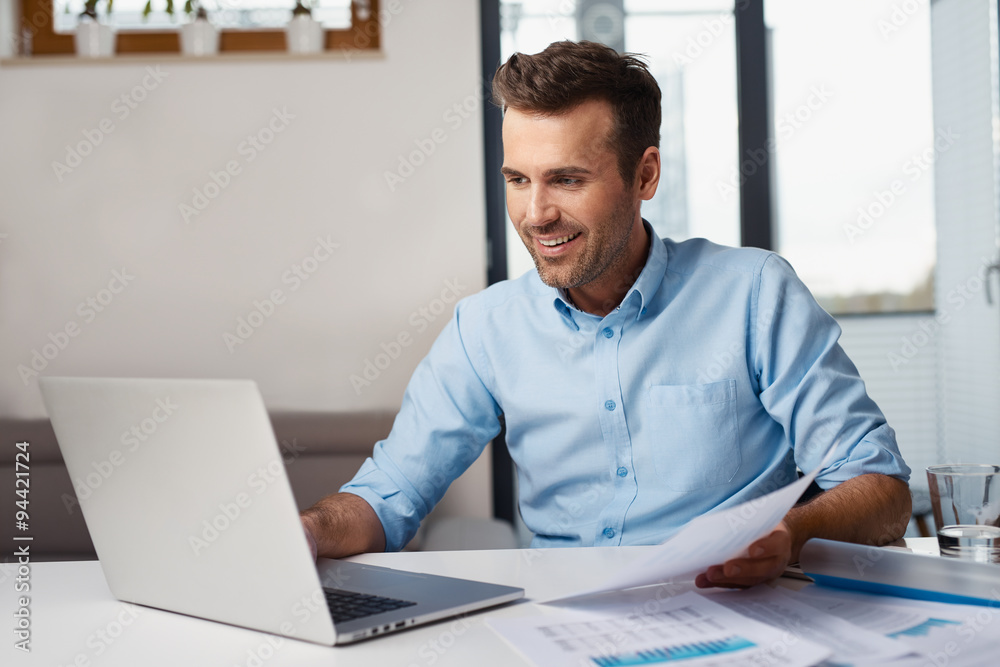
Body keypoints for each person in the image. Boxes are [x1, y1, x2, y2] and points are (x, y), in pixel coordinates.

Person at [300, 40, 912, 589]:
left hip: (735, 616)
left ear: (644, 175)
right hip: (560, 628)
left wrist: (789, 532)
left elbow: (880, 490)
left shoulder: (753, 294)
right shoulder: (484, 329)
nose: (536, 214)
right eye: (518, 179)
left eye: (567, 180)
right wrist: (308, 530)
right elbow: (390, 497)